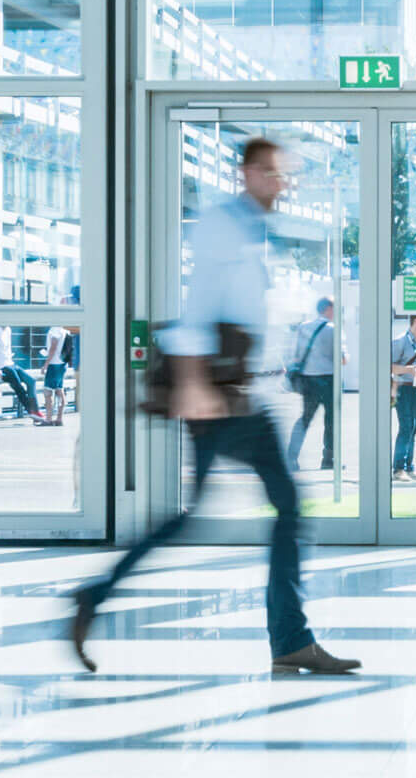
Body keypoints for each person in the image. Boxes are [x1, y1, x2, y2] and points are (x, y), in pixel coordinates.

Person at [68, 133, 361, 679]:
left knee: (195, 517)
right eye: (273, 173)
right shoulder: (225, 225)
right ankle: (290, 640)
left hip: (238, 393)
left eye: (286, 174)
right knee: (288, 510)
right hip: (223, 397)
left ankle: (93, 597)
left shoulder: (252, 228)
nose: (283, 184)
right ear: (246, 173)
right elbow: (197, 310)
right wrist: (191, 383)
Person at [286, 298, 341, 471]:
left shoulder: (303, 327)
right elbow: (342, 358)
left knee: (305, 419)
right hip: (328, 379)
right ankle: (328, 460)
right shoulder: (333, 329)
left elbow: (295, 354)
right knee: (331, 420)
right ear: (328, 309)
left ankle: (291, 458)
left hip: (308, 380)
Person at [391, 313, 416, 482]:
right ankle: (398, 469)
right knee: (406, 427)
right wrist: (408, 370)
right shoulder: (400, 342)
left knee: (413, 430)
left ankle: (409, 467)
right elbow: (389, 366)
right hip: (404, 390)